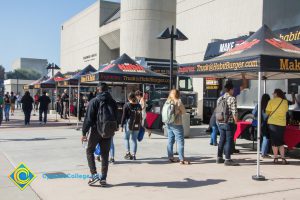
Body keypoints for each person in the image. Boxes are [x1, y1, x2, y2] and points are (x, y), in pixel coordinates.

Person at [82, 83, 118, 187]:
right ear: (107, 90)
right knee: (105, 154)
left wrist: (84, 133)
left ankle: (94, 175)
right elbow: (116, 117)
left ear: (98, 90)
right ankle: (103, 179)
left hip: (95, 130)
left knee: (89, 151)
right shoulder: (113, 102)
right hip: (108, 131)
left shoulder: (94, 101)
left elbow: (88, 119)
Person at [164, 89, 190, 165]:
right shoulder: (178, 101)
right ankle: (181, 159)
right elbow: (184, 112)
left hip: (168, 123)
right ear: (178, 94)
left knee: (170, 140)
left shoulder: (167, 101)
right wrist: (179, 112)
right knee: (180, 141)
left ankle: (170, 157)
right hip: (177, 123)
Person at [216, 82, 239, 166]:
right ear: (230, 90)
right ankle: (228, 159)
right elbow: (234, 112)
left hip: (220, 121)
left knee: (222, 139)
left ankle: (219, 157)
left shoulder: (220, 98)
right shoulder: (232, 99)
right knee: (229, 140)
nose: (233, 91)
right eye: (233, 90)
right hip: (228, 122)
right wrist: (236, 121)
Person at [266, 89, 289, 164]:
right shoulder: (285, 102)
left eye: (273, 93)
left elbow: (267, 112)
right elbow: (286, 111)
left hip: (272, 123)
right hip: (281, 124)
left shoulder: (271, 101)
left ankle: (275, 158)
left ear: (276, 94)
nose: (272, 95)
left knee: (274, 141)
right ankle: (283, 158)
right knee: (281, 141)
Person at [121, 92, 142, 160]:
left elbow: (124, 116)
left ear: (128, 98)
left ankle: (128, 153)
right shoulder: (139, 105)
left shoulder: (126, 105)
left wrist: (121, 126)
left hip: (129, 124)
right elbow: (140, 116)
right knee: (134, 140)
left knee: (126, 138)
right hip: (137, 124)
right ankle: (134, 155)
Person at [252, 94, 271, 158]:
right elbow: (267, 115)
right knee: (266, 137)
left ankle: (262, 151)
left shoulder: (259, 104)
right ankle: (263, 153)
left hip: (258, 123)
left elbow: (253, 113)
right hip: (265, 123)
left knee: (260, 137)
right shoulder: (269, 105)